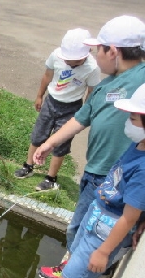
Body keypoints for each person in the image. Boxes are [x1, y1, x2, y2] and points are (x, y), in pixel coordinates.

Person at [34, 16, 145, 278]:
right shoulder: (106, 84)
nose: (95, 56)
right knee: (82, 226)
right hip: (95, 169)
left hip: (117, 178)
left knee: (85, 228)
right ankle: (88, 267)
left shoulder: (140, 80)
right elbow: (80, 118)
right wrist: (49, 143)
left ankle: (73, 273)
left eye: (99, 49)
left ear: (113, 51)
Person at [39, 83, 145, 278]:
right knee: (71, 274)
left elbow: (129, 217)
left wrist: (104, 251)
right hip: (98, 214)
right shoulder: (139, 145)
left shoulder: (143, 170)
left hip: (107, 231)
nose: (127, 123)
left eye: (132, 118)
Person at [14, 28, 100, 191]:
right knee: (38, 135)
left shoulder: (92, 68)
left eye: (73, 61)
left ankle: (50, 178)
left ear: (86, 54)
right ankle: (28, 165)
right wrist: (40, 95)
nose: (68, 62)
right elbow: (47, 75)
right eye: (66, 59)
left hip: (71, 107)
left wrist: (83, 115)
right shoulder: (56, 55)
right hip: (51, 101)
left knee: (61, 144)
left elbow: (91, 92)